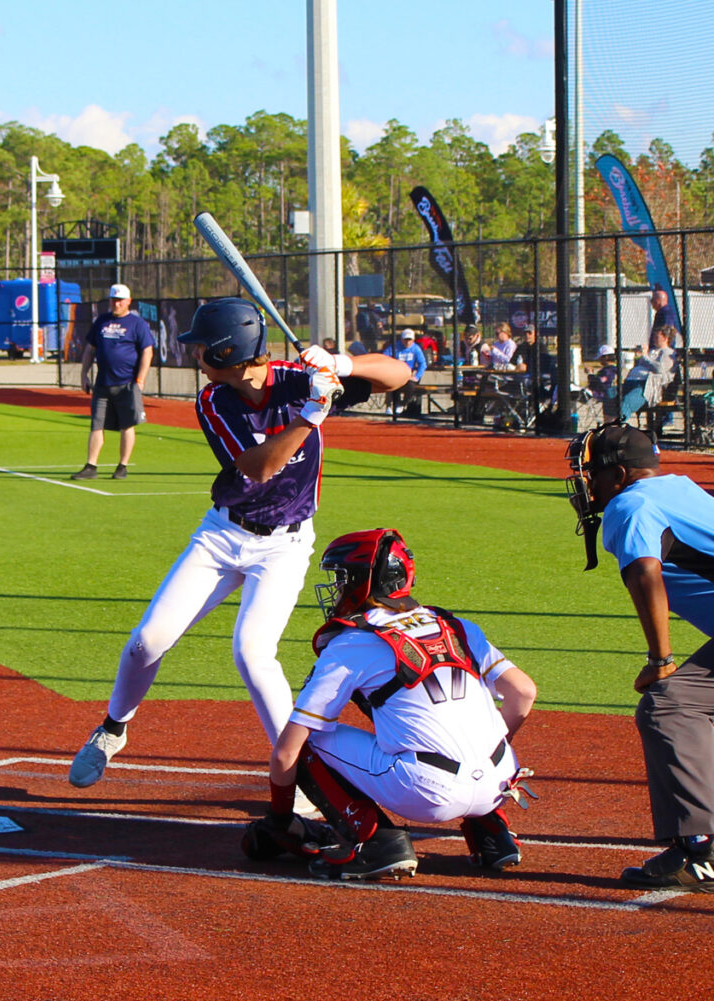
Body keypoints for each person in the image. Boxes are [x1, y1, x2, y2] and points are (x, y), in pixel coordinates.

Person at [68, 298, 410, 793]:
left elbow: (398, 374)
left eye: (203, 348)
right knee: (149, 641)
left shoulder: (299, 379)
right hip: (222, 536)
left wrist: (342, 366)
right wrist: (311, 417)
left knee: (253, 653)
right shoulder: (214, 401)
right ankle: (112, 729)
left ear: (228, 352)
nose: (195, 356)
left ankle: (305, 781)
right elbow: (258, 468)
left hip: (285, 546)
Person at [241, 528, 537, 880]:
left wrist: (279, 821)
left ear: (365, 582)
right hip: (499, 783)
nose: (338, 587)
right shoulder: (456, 624)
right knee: (458, 734)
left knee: (305, 742)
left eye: (343, 576)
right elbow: (523, 692)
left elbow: (286, 754)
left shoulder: (352, 643)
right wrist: (483, 759)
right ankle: (492, 832)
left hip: (428, 793)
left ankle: (378, 840)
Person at [565, 423, 714, 892]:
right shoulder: (680, 488)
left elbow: (646, 572)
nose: (587, 483)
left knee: (669, 706)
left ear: (620, 474)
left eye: (591, 473)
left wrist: (661, 658)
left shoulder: (631, 503)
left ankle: (702, 854)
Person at [72, 284, 154, 480]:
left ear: (128, 301)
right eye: (113, 300)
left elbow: (147, 351)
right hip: (102, 384)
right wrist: (84, 374)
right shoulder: (101, 321)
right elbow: (89, 350)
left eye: (120, 301)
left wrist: (140, 379)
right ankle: (91, 465)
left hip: (127, 383)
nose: (116, 304)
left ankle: (122, 466)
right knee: (96, 425)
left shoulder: (137, 324)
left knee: (127, 425)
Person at [619, 323, 677, 423]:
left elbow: (659, 369)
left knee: (627, 401)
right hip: (631, 382)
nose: (654, 339)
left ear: (665, 338)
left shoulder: (668, 353)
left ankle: (618, 428)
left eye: (657, 336)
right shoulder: (652, 351)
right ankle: (608, 428)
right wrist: (640, 356)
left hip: (645, 387)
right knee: (610, 395)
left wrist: (645, 356)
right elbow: (641, 365)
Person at [383, 328, 427, 415]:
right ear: (401, 339)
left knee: (411, 387)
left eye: (409, 340)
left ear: (413, 340)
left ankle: (402, 405)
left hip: (408, 375)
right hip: (395, 374)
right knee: (391, 385)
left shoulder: (416, 349)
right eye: (405, 339)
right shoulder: (395, 347)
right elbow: (384, 357)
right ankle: (391, 405)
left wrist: (417, 376)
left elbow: (423, 364)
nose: (407, 342)